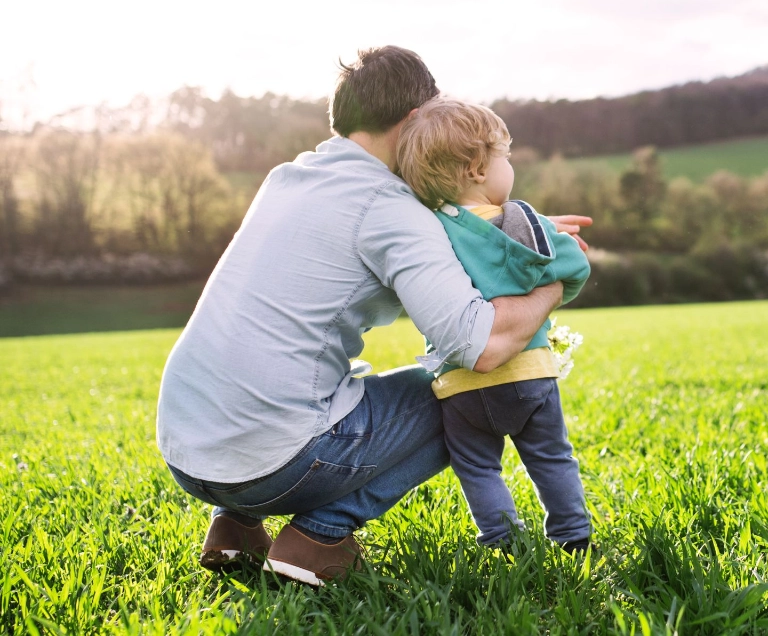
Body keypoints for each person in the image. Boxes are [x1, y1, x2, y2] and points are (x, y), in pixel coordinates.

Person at [155, 46, 592, 587]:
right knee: (462, 396)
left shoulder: (289, 178)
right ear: (415, 121)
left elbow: (432, 243)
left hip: (186, 450)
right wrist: (555, 278)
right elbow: (482, 347)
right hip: (270, 462)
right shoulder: (389, 207)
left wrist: (501, 225)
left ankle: (235, 529)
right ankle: (318, 537)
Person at [396, 98, 592, 552]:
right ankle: (573, 537)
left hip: (460, 383)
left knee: (478, 468)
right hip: (529, 372)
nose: (511, 167)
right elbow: (573, 269)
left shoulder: (426, 233)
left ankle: (503, 541)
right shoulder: (524, 222)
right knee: (551, 458)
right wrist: (554, 290)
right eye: (505, 156)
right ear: (478, 168)